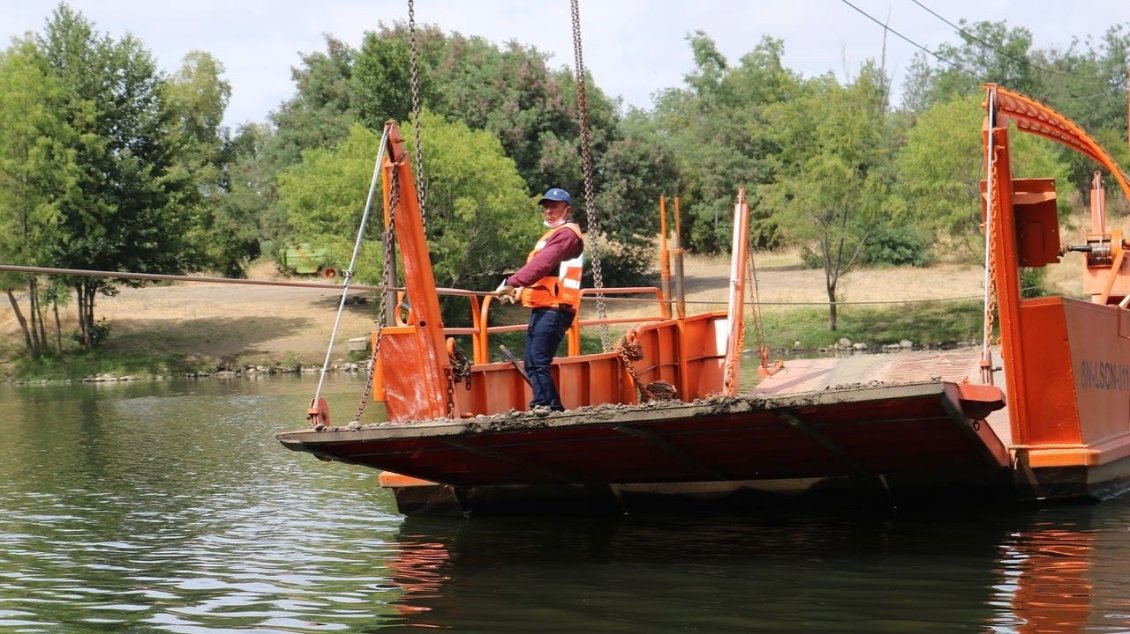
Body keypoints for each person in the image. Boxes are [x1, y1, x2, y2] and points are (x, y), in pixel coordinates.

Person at [495, 188, 585, 414]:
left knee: (537, 359)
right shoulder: (554, 236)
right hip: (545, 306)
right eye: (546, 207)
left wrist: (513, 282)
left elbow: (543, 264)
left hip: (557, 308)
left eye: (554, 206)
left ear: (568, 210)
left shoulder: (567, 235)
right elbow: (546, 273)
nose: (548, 211)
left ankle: (543, 404)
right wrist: (517, 290)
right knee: (532, 360)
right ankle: (552, 406)